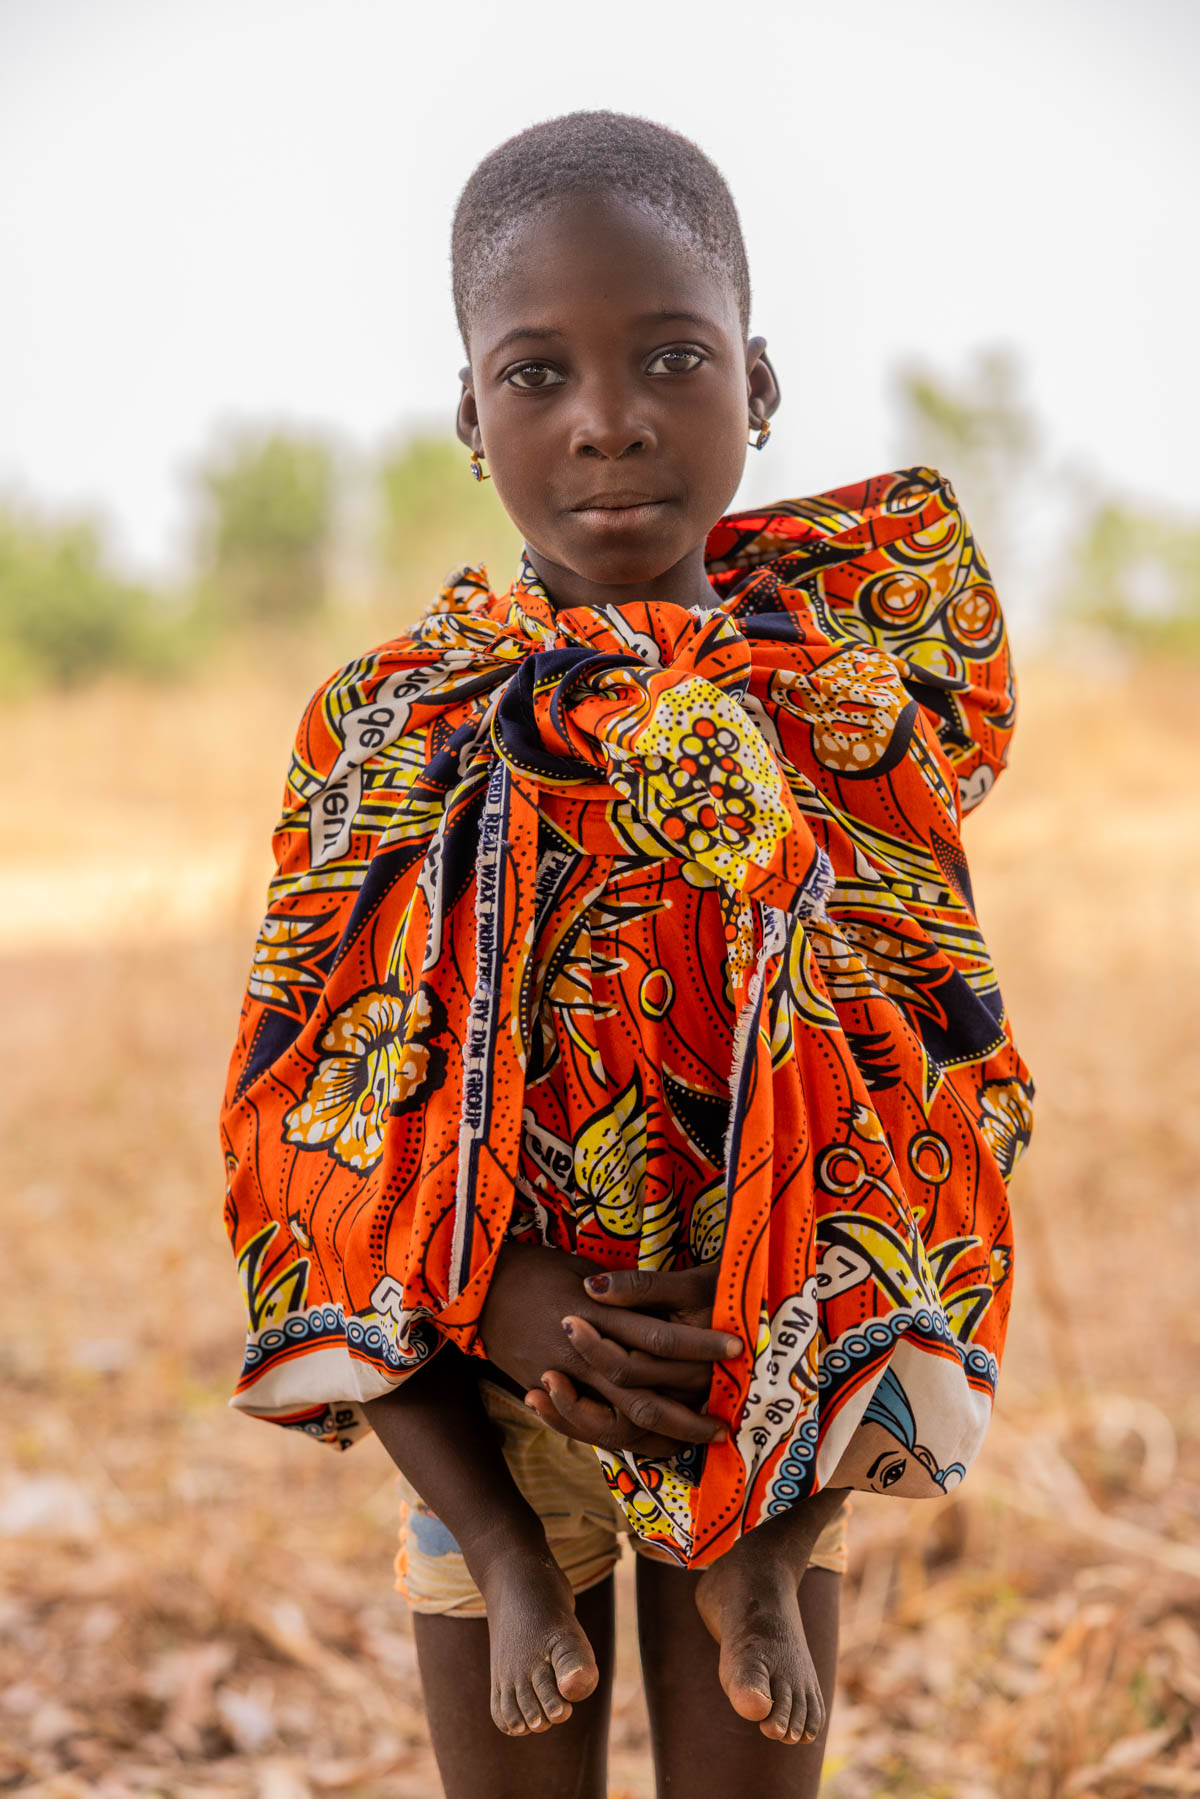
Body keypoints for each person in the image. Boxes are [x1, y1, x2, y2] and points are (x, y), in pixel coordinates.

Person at [220, 112, 1033, 1799]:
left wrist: (778, 1296)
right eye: (537, 374)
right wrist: (502, 1296)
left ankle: (764, 1555)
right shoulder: (389, 726)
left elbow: (941, 1063)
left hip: (775, 1365)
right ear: (470, 415)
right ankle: (506, 1551)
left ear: (758, 382)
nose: (609, 420)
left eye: (672, 356)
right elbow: (304, 1103)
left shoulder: (839, 704)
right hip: (480, 1370)